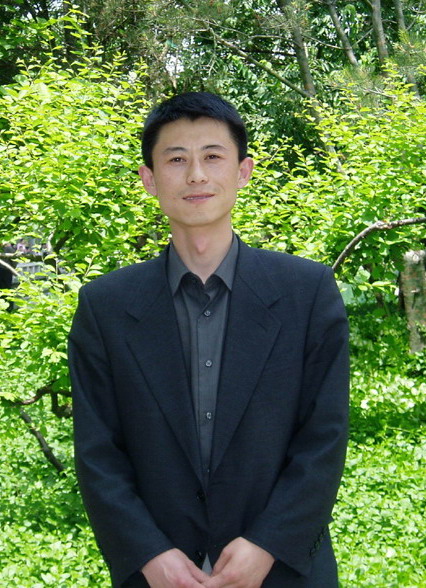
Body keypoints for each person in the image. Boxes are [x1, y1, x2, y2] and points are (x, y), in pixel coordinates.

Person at [69, 92, 349, 588]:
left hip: (283, 570)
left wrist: (268, 544)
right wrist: (148, 552)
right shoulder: (105, 306)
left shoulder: (307, 292)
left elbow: (324, 436)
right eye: (177, 159)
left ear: (243, 171)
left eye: (213, 156)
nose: (196, 175)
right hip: (157, 574)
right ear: (150, 179)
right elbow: (97, 450)